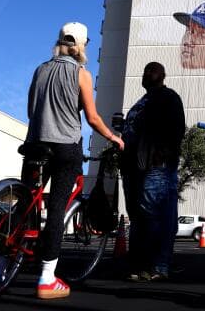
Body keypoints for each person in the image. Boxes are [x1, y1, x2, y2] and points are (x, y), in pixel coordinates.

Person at [25, 22, 124, 299]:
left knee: (26, 203)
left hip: (35, 144)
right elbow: (92, 119)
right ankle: (47, 278)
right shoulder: (81, 74)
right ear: (81, 46)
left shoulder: (40, 69)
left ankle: (1, 264)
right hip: (65, 147)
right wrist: (114, 137)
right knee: (57, 209)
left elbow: (31, 108)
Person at [122, 62, 186, 282]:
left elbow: (178, 130)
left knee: (156, 215)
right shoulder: (140, 103)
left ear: (162, 75)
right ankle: (139, 264)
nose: (146, 73)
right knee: (138, 217)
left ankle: (159, 266)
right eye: (145, 70)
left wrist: (162, 156)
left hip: (156, 166)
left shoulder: (168, 97)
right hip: (132, 167)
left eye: (152, 70)